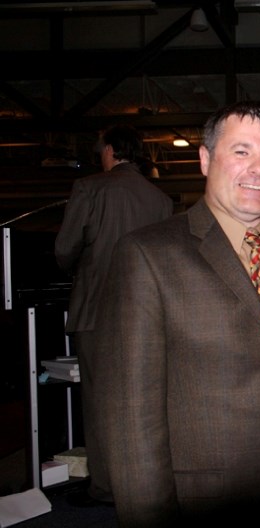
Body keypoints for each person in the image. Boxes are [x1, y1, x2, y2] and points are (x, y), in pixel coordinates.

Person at [92, 101, 260, 528]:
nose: (258, 169)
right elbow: (132, 417)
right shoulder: (148, 255)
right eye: (241, 152)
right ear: (205, 160)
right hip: (206, 509)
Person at [54, 123, 173, 507]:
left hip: (97, 309)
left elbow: (64, 249)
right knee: (145, 400)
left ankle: (105, 487)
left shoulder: (90, 188)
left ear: (109, 152)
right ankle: (145, 480)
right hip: (148, 313)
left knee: (99, 402)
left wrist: (76, 266)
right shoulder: (160, 199)